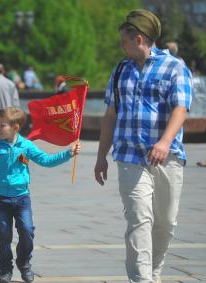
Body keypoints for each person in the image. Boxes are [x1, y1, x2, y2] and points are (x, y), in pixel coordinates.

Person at [94, 9, 192, 283]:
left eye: (124, 41)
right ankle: (142, 279)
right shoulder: (120, 70)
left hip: (167, 157)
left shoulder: (175, 67)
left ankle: (154, 270)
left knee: (165, 223)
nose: (121, 47)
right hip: (129, 156)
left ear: (139, 39)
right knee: (138, 220)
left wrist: (164, 141)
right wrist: (101, 156)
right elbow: (110, 115)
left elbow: (180, 109)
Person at [0, 107, 81, 283]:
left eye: (2, 125)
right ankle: (5, 270)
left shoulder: (26, 146)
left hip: (22, 199)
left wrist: (68, 153)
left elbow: (46, 160)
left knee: (27, 231)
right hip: (0, 200)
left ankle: (24, 263)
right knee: (3, 236)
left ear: (15, 127)